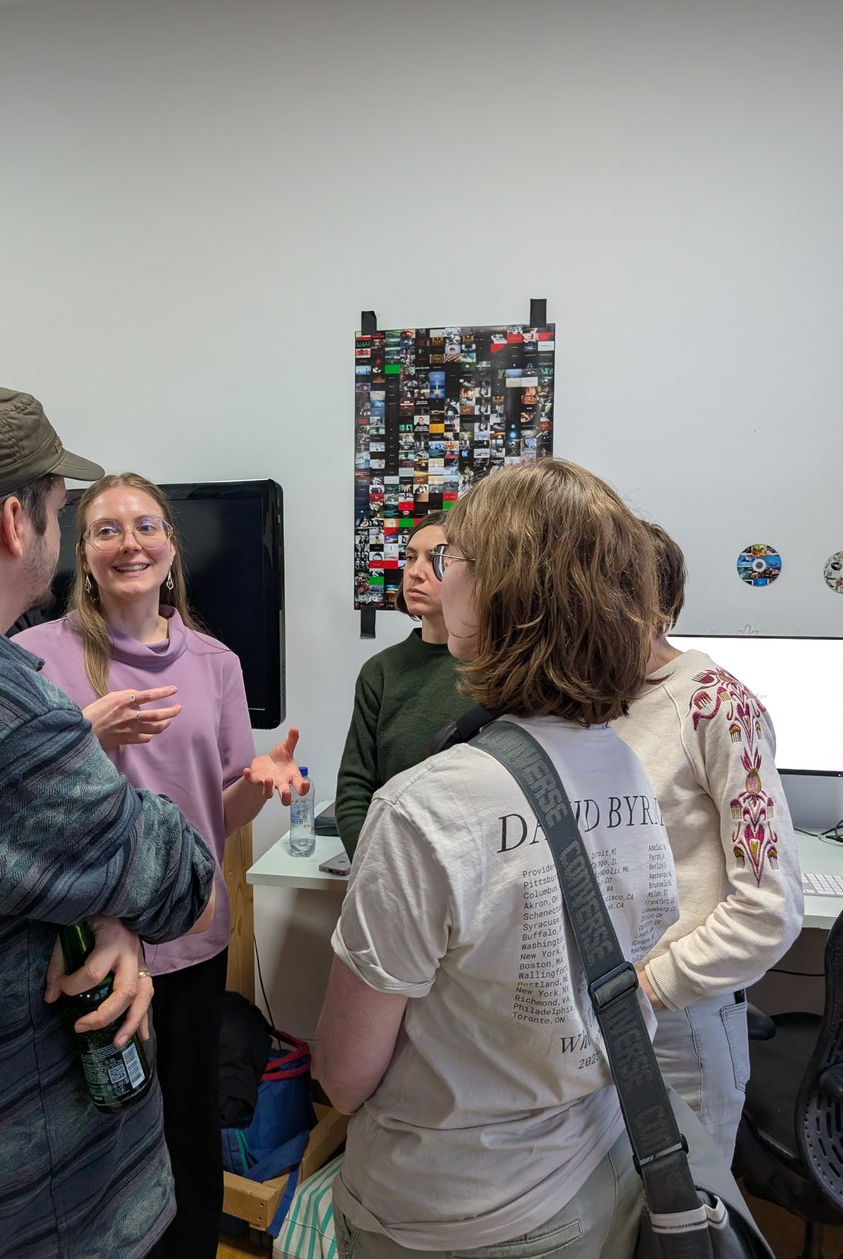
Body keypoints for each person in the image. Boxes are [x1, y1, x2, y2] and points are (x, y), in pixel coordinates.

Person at [315, 459, 681, 1258]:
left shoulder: (427, 806)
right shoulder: (621, 762)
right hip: (600, 1164)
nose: (437, 576)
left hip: (456, 1211)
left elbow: (343, 1075)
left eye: (453, 560)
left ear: (493, 596)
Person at [0, 385, 217, 1259]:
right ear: (13, 525)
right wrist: (115, 892)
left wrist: (98, 901)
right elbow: (178, 874)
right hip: (14, 1204)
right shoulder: (6, 710)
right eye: (71, 513)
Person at [12, 471, 307, 1259]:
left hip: (190, 936)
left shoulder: (214, 662)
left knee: (188, 1123)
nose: (130, 542)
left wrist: (257, 785)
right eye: (107, 529)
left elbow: (220, 812)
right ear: (82, 552)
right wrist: (83, 736)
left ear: (171, 547)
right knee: (92, 1125)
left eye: (146, 526)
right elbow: (10, 789)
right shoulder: (34, 657)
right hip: (81, 941)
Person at [611, 522, 803, 1164]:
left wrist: (651, 987)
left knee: (683, 1223)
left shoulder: (715, 705)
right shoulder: (593, 703)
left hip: (675, 1022)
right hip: (596, 1018)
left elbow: (767, 910)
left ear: (644, 603)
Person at [335, 511, 473, 859]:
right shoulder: (381, 672)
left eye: (436, 558)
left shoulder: (499, 671)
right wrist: (377, 872)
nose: (414, 572)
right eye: (410, 557)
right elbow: (354, 791)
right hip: (391, 867)